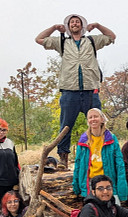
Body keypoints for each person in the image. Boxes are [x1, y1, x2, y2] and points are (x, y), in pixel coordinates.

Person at [35, 14, 116, 169]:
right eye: (72, 22)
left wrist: (98, 25)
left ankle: (100, 155)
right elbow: (39, 39)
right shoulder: (63, 42)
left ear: (82, 25)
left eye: (77, 22)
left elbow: (111, 36)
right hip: (69, 91)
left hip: (90, 91)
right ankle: (63, 159)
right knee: (65, 125)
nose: (74, 24)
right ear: (68, 26)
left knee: (97, 123)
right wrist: (53, 28)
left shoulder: (92, 41)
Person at [72, 108, 128, 217]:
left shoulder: (111, 138)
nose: (93, 120)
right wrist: (76, 185)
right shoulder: (83, 139)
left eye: (95, 117)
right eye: (90, 117)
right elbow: (78, 163)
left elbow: (119, 163)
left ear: (102, 119)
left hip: (108, 185)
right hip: (91, 186)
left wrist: (122, 187)